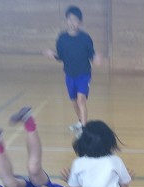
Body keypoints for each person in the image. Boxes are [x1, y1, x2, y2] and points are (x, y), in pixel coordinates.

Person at [43, 5, 101, 137]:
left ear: (80, 22)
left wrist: (96, 59)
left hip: (83, 74)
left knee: (81, 101)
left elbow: (91, 55)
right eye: (70, 19)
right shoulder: (62, 38)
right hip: (69, 75)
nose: (72, 22)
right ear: (66, 20)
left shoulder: (85, 38)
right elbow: (61, 57)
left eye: (75, 20)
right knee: (74, 103)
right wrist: (53, 55)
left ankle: (84, 131)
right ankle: (80, 122)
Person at [61, 120, 133, 187]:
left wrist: (70, 180)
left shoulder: (78, 163)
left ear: (82, 142)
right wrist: (124, 181)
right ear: (110, 141)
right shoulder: (115, 161)